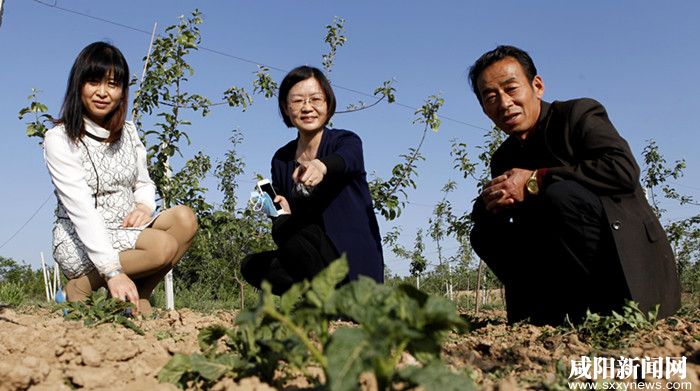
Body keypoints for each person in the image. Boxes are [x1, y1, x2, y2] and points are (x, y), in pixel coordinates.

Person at [467, 45, 680, 325]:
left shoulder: (578, 115)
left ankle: (610, 307)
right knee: (486, 228)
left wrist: (536, 179)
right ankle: (545, 312)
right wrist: (491, 203)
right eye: (491, 97)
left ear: (537, 86)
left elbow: (623, 170)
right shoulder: (504, 157)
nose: (504, 103)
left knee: (559, 195)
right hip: (563, 267)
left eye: (511, 89)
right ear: (484, 108)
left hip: (625, 265)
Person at [44, 42, 198, 314]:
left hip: (126, 229)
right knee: (162, 245)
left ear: (122, 91)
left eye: (113, 84)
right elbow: (80, 208)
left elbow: (143, 182)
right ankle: (80, 287)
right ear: (78, 85)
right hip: (80, 239)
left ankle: (139, 295)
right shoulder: (59, 139)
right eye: (93, 82)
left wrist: (143, 206)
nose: (103, 92)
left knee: (185, 218)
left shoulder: (128, 132)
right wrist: (112, 270)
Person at [241, 66, 384, 294]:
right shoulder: (281, 159)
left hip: (351, 260)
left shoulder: (345, 141)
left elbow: (346, 159)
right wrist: (280, 212)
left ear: (328, 104)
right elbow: (287, 224)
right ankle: (319, 298)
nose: (307, 107)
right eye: (297, 101)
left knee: (298, 232)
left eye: (315, 99)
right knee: (253, 265)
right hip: (309, 256)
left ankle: (338, 299)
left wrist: (321, 166)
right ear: (286, 108)